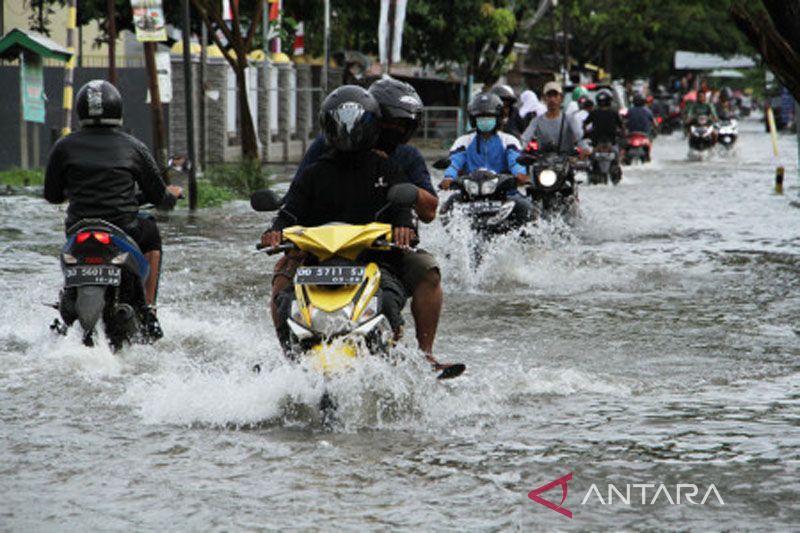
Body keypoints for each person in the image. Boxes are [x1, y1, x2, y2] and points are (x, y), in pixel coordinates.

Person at [261, 85, 458, 374]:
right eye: (391, 123)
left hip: (381, 247)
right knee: (282, 279)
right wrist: (277, 230)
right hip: (320, 246)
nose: (396, 130)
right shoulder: (319, 159)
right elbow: (294, 202)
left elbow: (422, 210)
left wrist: (404, 223)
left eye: (402, 125)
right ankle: (290, 354)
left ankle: (425, 354)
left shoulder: (397, 163)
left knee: (427, 270)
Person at [44, 80, 182, 339]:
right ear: (116, 109)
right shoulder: (133, 146)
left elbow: (51, 195)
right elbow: (159, 197)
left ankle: (68, 300)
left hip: (78, 232)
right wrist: (171, 195)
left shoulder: (63, 146)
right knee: (150, 228)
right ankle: (150, 310)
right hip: (123, 232)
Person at [440, 92, 532, 223]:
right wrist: (449, 176)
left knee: (526, 208)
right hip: (470, 195)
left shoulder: (509, 140)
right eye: (481, 117)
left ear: (498, 118)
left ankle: (527, 241)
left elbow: (515, 160)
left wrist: (520, 174)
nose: (485, 120)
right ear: (473, 119)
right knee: (446, 209)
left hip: (505, 194)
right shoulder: (463, 141)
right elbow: (454, 161)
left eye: (489, 116)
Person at [521, 81, 585, 154]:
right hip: (543, 162)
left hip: (566, 162)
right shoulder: (536, 121)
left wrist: (585, 149)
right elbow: (525, 139)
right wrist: (517, 149)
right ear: (544, 98)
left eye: (555, 96)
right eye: (549, 96)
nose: (552, 99)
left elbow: (580, 137)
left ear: (561, 98)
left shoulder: (570, 119)